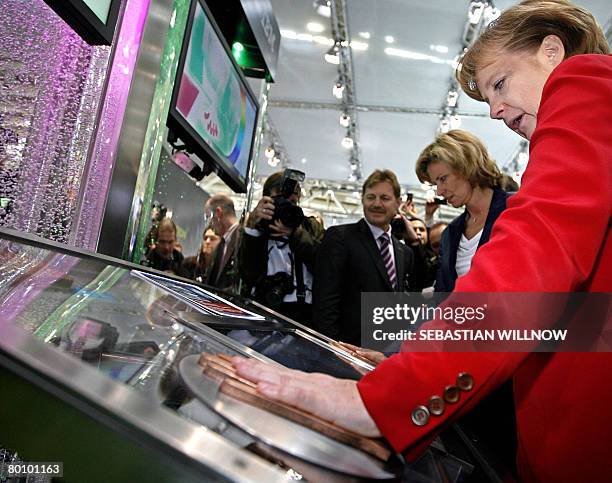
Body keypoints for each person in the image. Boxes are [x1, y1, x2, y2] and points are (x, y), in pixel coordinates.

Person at [230, 1, 612, 481]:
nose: (494, 110)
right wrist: (404, 357)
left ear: (552, 52)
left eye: (500, 83)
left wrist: (387, 397)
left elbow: (534, 262)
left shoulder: (584, 83)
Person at [313, 169, 415, 345]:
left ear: (398, 203)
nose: (376, 204)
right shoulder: (340, 237)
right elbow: (325, 301)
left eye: (384, 198)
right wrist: (334, 349)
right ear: (362, 200)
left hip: (386, 353)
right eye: (370, 197)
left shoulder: (404, 253)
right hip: (346, 350)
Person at [415, 129, 510, 292]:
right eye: (435, 183)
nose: (439, 191)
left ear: (467, 166)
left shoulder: (516, 208)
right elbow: (443, 293)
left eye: (443, 179)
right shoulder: (449, 234)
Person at [239, 170, 325, 326]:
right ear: (267, 199)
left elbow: (324, 265)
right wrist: (252, 228)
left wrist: (296, 235)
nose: (288, 204)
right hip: (262, 310)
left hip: (303, 315)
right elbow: (247, 274)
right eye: (281, 197)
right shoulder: (257, 228)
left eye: (294, 198)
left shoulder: (310, 227)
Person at [203, 194, 241, 291]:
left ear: (218, 213)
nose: (210, 223)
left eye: (209, 217)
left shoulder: (242, 239)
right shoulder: (223, 242)